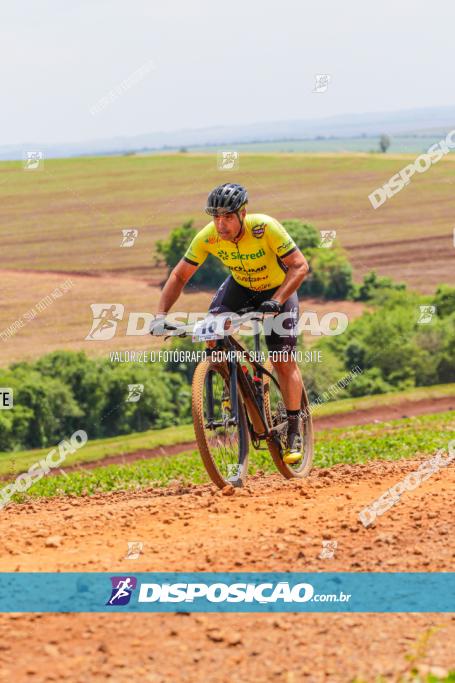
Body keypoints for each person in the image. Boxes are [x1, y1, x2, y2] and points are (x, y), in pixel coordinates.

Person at [151, 183, 309, 463]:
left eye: (227, 217)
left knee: (283, 359)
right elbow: (179, 276)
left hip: (278, 290)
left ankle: (295, 429)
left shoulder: (265, 228)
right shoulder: (208, 237)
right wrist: (161, 314)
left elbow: (299, 266)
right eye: (216, 217)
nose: (220, 224)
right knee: (212, 329)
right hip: (240, 287)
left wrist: (277, 300)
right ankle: (228, 383)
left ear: (243, 213)